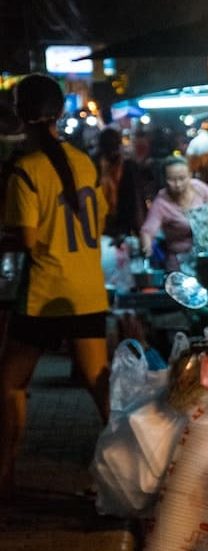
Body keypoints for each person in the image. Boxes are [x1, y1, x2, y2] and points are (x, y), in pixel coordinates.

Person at [0, 74, 110, 501]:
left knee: (10, 383)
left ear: (19, 114)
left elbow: (26, 239)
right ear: (60, 112)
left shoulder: (25, 171)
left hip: (44, 294)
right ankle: (139, 468)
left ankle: (5, 475)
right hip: (86, 290)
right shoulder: (85, 162)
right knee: (101, 389)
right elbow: (98, 223)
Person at [139, 156, 208, 273]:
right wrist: (147, 248)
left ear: (189, 175)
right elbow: (147, 231)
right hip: (181, 267)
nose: (178, 184)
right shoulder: (161, 202)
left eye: (182, 178)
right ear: (164, 179)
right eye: (172, 179)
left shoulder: (198, 187)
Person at [95, 128, 144, 241]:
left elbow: (136, 197)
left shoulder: (128, 166)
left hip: (123, 222)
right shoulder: (97, 166)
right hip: (103, 221)